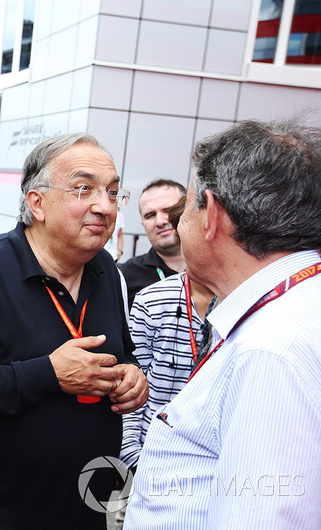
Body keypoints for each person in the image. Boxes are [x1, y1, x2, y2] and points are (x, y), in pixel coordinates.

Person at [0, 133, 148, 529]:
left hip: (84, 508)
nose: (104, 206)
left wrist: (131, 375)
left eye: (112, 192)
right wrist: (48, 374)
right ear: (37, 203)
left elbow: (122, 352)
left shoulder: (106, 270)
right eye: (83, 189)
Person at [125, 119, 321, 528]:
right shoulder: (292, 309)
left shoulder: (270, 351)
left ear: (211, 214)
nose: (176, 225)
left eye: (184, 210)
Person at [117, 196, 215, 523]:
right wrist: (135, 457)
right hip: (149, 464)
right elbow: (131, 379)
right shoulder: (150, 299)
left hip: (217, 475)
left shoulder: (245, 303)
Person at [118, 179, 186, 308]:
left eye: (168, 210)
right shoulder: (123, 278)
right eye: (150, 215)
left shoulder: (217, 269)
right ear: (142, 223)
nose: (160, 221)